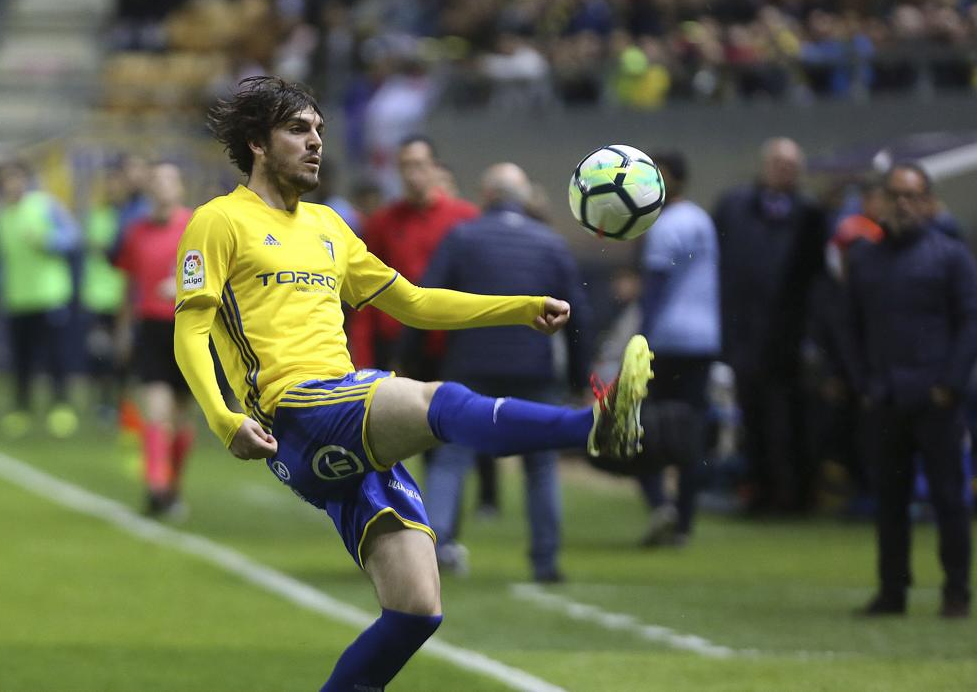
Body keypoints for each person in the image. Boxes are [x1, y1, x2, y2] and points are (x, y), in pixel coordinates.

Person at [173, 75, 653, 691]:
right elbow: (191, 330)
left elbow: (414, 302)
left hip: (340, 414)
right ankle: (592, 427)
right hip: (296, 408)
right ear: (257, 144)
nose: (316, 141)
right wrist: (221, 417)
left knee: (415, 611)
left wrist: (520, 306)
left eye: (319, 128)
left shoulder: (329, 227)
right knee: (436, 400)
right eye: (298, 129)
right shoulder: (219, 222)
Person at [415, 162, 591, 582]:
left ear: (487, 195)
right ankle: (546, 562)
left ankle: (435, 548)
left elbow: (425, 300)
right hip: (534, 369)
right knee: (542, 465)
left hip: (470, 366)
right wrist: (579, 381)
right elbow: (578, 314)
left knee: (451, 457)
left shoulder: (462, 237)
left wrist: (415, 362)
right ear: (525, 198)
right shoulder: (550, 243)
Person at [845, 163, 977, 619]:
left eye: (912, 195)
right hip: (884, 397)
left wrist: (950, 385)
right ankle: (892, 590)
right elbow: (850, 327)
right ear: (880, 201)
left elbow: (970, 324)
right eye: (894, 195)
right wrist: (862, 382)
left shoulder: (951, 256)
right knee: (889, 501)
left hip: (936, 399)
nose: (902, 203)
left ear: (928, 202)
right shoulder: (863, 259)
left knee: (948, 498)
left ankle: (956, 592)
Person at [713, 137, 826, 513]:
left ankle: (793, 494)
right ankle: (758, 490)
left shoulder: (810, 215)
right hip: (744, 336)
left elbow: (818, 280)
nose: (784, 170)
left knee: (790, 421)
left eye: (791, 165)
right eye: (778, 162)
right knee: (752, 419)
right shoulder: (733, 207)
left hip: (789, 341)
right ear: (764, 165)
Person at [635, 151, 720, 547]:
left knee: (640, 425)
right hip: (704, 339)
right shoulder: (702, 220)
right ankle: (684, 521)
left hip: (667, 340)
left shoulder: (664, 225)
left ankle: (659, 504)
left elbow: (655, 291)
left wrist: (639, 340)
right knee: (692, 432)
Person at [348, 136, 478, 373]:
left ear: (434, 168)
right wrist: (362, 361)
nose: (411, 174)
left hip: (452, 341)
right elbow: (365, 291)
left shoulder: (466, 217)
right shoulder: (382, 222)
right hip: (397, 343)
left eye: (418, 165)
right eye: (404, 166)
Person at [114, 161, 196, 518]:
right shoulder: (136, 232)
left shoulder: (196, 227)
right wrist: (122, 328)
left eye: (169, 180)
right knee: (157, 412)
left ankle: (172, 486)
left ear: (180, 188)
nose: (162, 187)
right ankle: (156, 487)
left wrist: (183, 288)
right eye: (156, 181)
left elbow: (220, 275)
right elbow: (128, 284)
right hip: (151, 328)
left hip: (189, 329)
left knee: (181, 420)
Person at [0, 161, 80, 439]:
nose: (13, 185)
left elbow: (73, 236)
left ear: (25, 181)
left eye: (17, 179)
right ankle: (21, 409)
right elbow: (1, 259)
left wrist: (48, 240)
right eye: (7, 181)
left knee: (56, 355)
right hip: (17, 298)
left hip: (49, 296)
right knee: (21, 359)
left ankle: (61, 407)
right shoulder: (0, 216)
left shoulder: (44, 206)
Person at [81, 165, 129, 425]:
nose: (112, 189)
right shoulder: (98, 216)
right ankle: (102, 400)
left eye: (117, 184)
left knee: (122, 354)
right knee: (99, 351)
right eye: (109, 184)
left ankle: (119, 403)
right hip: (99, 294)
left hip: (123, 294)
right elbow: (99, 249)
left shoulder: (131, 217)